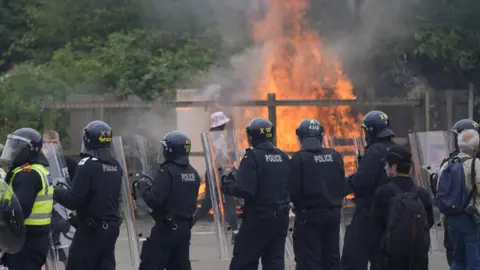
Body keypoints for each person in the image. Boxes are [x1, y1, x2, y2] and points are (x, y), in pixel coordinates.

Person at [222, 117, 290, 270]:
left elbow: (245, 190)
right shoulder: (283, 156)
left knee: (244, 261)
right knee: (274, 262)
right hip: (280, 219)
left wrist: (227, 183)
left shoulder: (252, 157)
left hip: (258, 219)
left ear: (251, 136)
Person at [53, 120, 122, 270]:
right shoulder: (115, 165)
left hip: (92, 229)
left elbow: (73, 200)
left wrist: (56, 191)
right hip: (111, 229)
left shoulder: (87, 165)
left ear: (88, 139)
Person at [135, 131, 200, 269]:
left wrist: (143, 187)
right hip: (184, 229)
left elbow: (154, 200)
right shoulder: (192, 172)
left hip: (166, 229)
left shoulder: (167, 171)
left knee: (150, 265)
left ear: (171, 150)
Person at [342, 110, 396, 270]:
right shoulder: (396, 149)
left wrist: (347, 183)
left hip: (369, 213)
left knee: (352, 257)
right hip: (391, 213)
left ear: (371, 131)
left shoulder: (374, 151)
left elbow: (362, 181)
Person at [290, 118, 345, 270]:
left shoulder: (298, 159)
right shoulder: (335, 156)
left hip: (308, 218)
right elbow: (342, 185)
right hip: (333, 215)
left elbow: (293, 190)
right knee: (332, 258)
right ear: (321, 137)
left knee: (309, 261)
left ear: (300, 138)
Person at [372, 145, 434, 270]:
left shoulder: (383, 192)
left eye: (387, 165)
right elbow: (430, 222)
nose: (385, 168)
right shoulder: (422, 193)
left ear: (394, 167)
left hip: (392, 257)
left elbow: (377, 225)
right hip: (418, 257)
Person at [0, 128, 54, 269]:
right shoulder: (38, 169)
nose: (12, 149)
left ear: (29, 149)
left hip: (26, 241)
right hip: (36, 239)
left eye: (17, 146)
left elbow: (19, 211)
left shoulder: (27, 175)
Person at [433, 119, 480, 266]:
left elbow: (438, 191)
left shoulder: (447, 163)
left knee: (457, 259)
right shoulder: (475, 163)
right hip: (471, 218)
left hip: (451, 219)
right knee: (473, 260)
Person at [195, 111, 239, 243]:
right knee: (230, 202)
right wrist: (229, 168)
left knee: (208, 203)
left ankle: (187, 226)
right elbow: (220, 158)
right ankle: (236, 233)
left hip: (213, 172)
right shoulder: (218, 138)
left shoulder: (213, 137)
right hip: (219, 173)